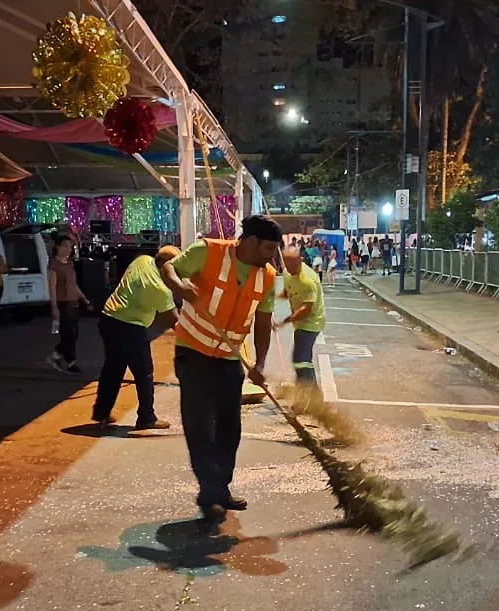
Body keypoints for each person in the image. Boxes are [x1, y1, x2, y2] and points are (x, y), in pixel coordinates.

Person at [160, 215, 282, 521]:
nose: (272, 256)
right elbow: (168, 268)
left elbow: (263, 321)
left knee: (230, 429)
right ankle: (209, 491)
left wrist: (260, 362)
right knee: (201, 426)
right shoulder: (208, 252)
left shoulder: (267, 276)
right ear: (251, 242)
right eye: (269, 248)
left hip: (229, 358)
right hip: (193, 352)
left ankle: (220, 488)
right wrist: (179, 287)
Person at [92, 246, 180, 430]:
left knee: (113, 368)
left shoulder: (142, 260)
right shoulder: (159, 288)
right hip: (129, 325)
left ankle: (101, 412)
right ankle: (146, 417)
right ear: (165, 265)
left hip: (108, 318)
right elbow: (176, 323)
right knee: (144, 373)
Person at [264, 246, 325, 384]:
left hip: (311, 322)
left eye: (293, 265)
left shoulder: (308, 280)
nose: (289, 269)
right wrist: (270, 297)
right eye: (287, 265)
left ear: (300, 261)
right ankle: (308, 392)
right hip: (301, 322)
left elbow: (306, 310)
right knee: (301, 359)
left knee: (301, 359)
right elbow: (288, 292)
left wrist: (283, 322)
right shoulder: (288, 273)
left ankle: (308, 394)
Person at [48, 234, 89, 372]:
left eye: (70, 247)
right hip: (62, 303)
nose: (68, 249)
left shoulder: (70, 264)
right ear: (57, 247)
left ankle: (57, 354)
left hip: (73, 302)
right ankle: (71, 362)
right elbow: (52, 288)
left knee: (73, 333)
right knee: (68, 333)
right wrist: (54, 308)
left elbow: (74, 284)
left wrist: (84, 298)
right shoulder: (54, 266)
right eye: (65, 246)